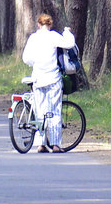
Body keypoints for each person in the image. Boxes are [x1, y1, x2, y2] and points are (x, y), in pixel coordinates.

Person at [22, 11, 76, 153]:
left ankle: (40, 143)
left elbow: (26, 58)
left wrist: (36, 63)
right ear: (50, 24)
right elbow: (70, 44)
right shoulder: (53, 36)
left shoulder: (33, 38)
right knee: (54, 111)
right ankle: (56, 144)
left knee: (40, 111)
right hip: (53, 79)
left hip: (38, 79)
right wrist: (67, 32)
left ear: (38, 24)